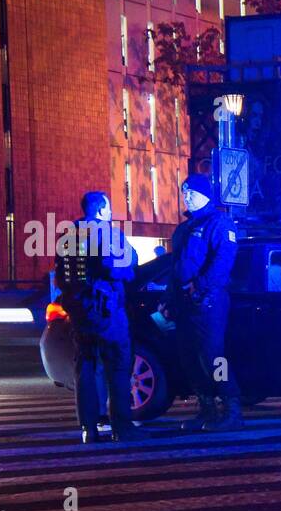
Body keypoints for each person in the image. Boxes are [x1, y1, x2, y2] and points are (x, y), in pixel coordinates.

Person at [55, 191, 145, 444]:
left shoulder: (69, 234)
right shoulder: (108, 232)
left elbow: (61, 275)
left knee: (85, 366)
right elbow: (125, 265)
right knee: (118, 365)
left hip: (79, 311)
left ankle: (89, 429)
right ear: (101, 209)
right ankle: (122, 427)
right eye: (109, 207)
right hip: (107, 310)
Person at [163, 174, 243, 432]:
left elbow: (223, 262)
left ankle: (232, 410)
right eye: (184, 192)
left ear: (206, 195)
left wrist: (200, 286)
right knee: (189, 358)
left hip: (208, 302)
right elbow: (175, 268)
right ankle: (207, 409)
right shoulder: (183, 228)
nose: (187, 196)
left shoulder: (219, 223)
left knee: (213, 357)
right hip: (184, 304)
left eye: (192, 193)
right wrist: (169, 298)